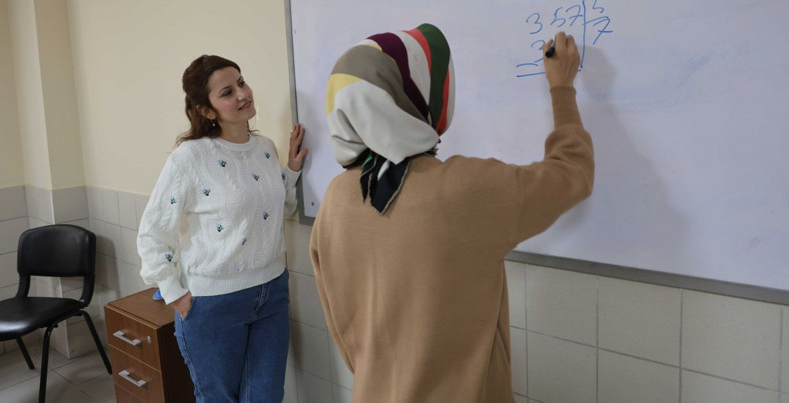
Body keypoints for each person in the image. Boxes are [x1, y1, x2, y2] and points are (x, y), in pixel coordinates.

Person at [310, 25, 593, 402]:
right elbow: (573, 173)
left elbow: (342, 329)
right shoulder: (464, 188)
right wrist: (562, 89)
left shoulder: (335, 199)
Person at [137, 54, 307, 402]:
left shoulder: (264, 148)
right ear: (206, 110)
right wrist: (174, 293)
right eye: (227, 92)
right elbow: (154, 231)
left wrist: (290, 168)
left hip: (272, 292)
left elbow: (280, 208)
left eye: (241, 82)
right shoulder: (189, 158)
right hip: (213, 303)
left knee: (265, 397)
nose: (243, 94)